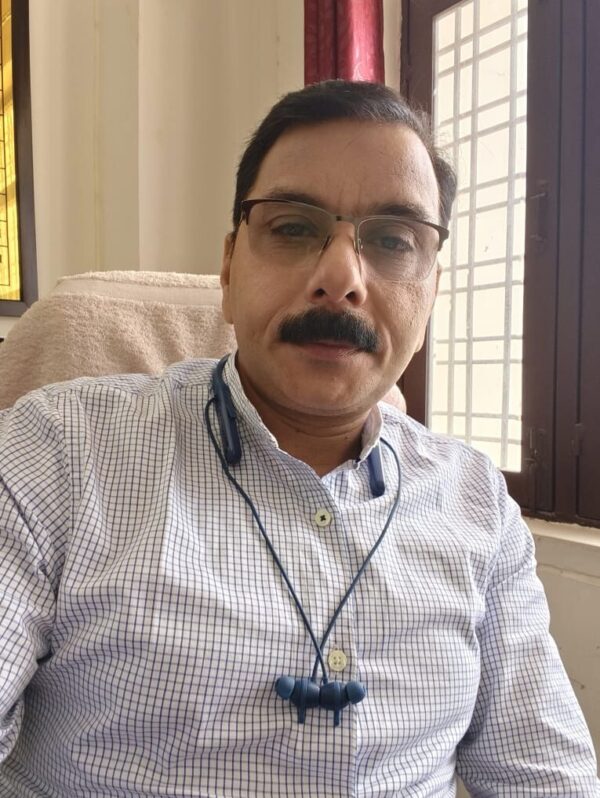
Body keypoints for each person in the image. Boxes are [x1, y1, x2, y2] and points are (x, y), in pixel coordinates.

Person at [0, 80, 598, 797]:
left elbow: (546, 776)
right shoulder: (56, 451)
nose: (340, 278)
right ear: (229, 269)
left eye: (393, 240)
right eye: (292, 227)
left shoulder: (476, 503)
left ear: (431, 292)